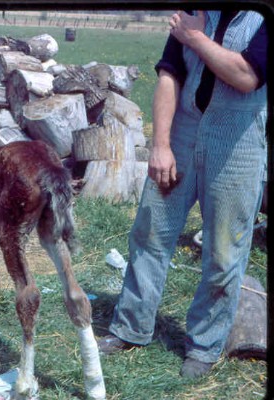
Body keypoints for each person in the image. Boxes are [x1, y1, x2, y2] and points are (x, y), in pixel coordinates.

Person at [98, 10, 267, 379]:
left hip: (237, 141)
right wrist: (160, 144)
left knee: (225, 250)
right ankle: (130, 328)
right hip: (183, 132)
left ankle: (204, 346)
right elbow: (169, 75)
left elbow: (247, 76)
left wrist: (196, 39)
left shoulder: (262, 16)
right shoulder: (194, 11)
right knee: (150, 232)